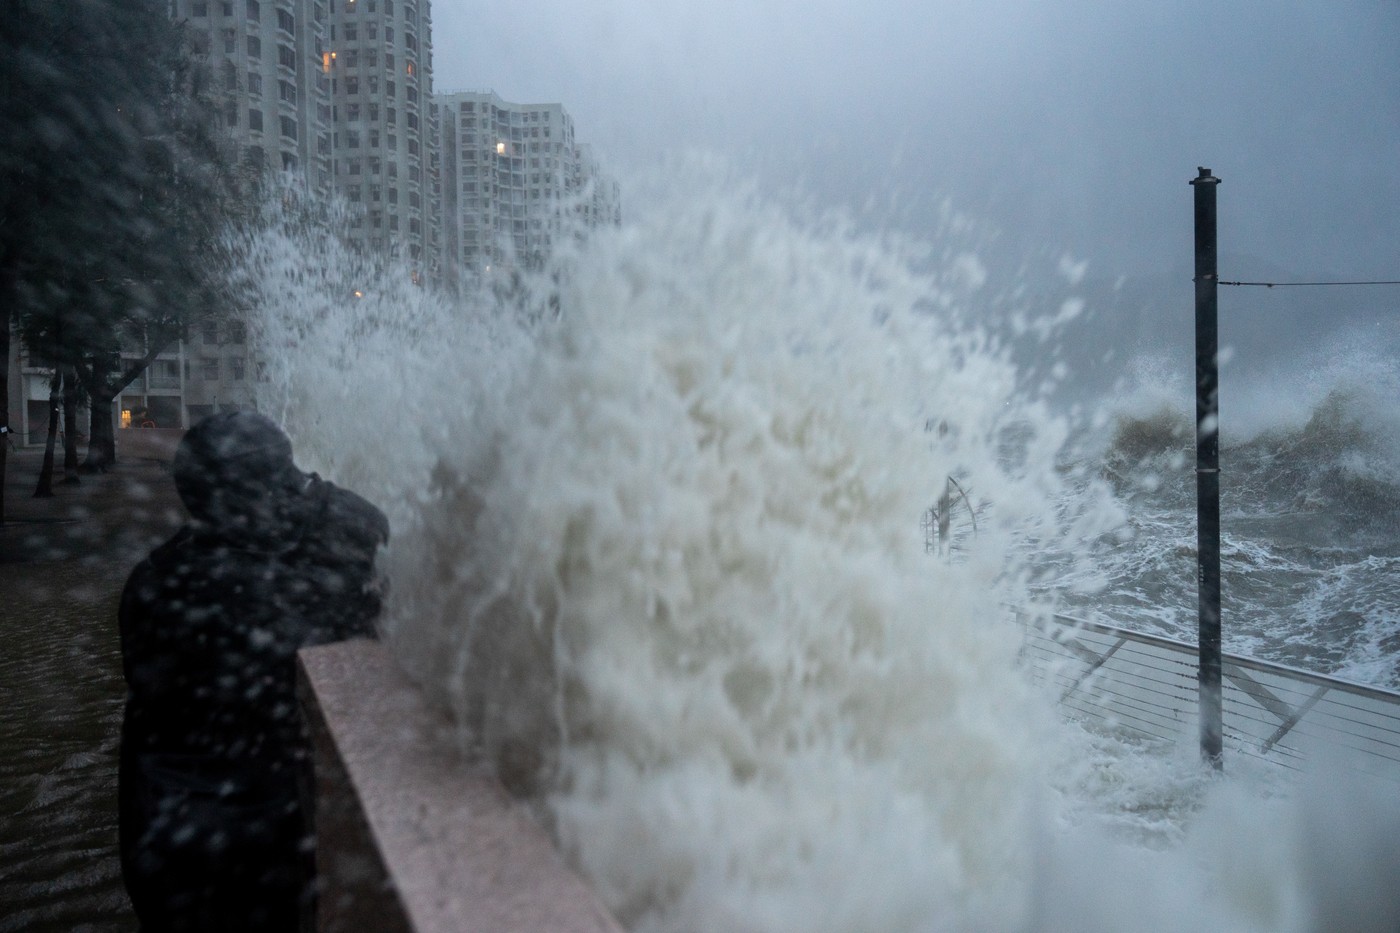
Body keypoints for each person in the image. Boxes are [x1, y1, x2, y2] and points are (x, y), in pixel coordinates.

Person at [117, 411, 389, 932]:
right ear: (255, 497)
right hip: (249, 860)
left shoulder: (155, 577)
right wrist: (313, 501)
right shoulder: (267, 596)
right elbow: (371, 529)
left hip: (162, 842)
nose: (299, 491)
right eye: (287, 479)